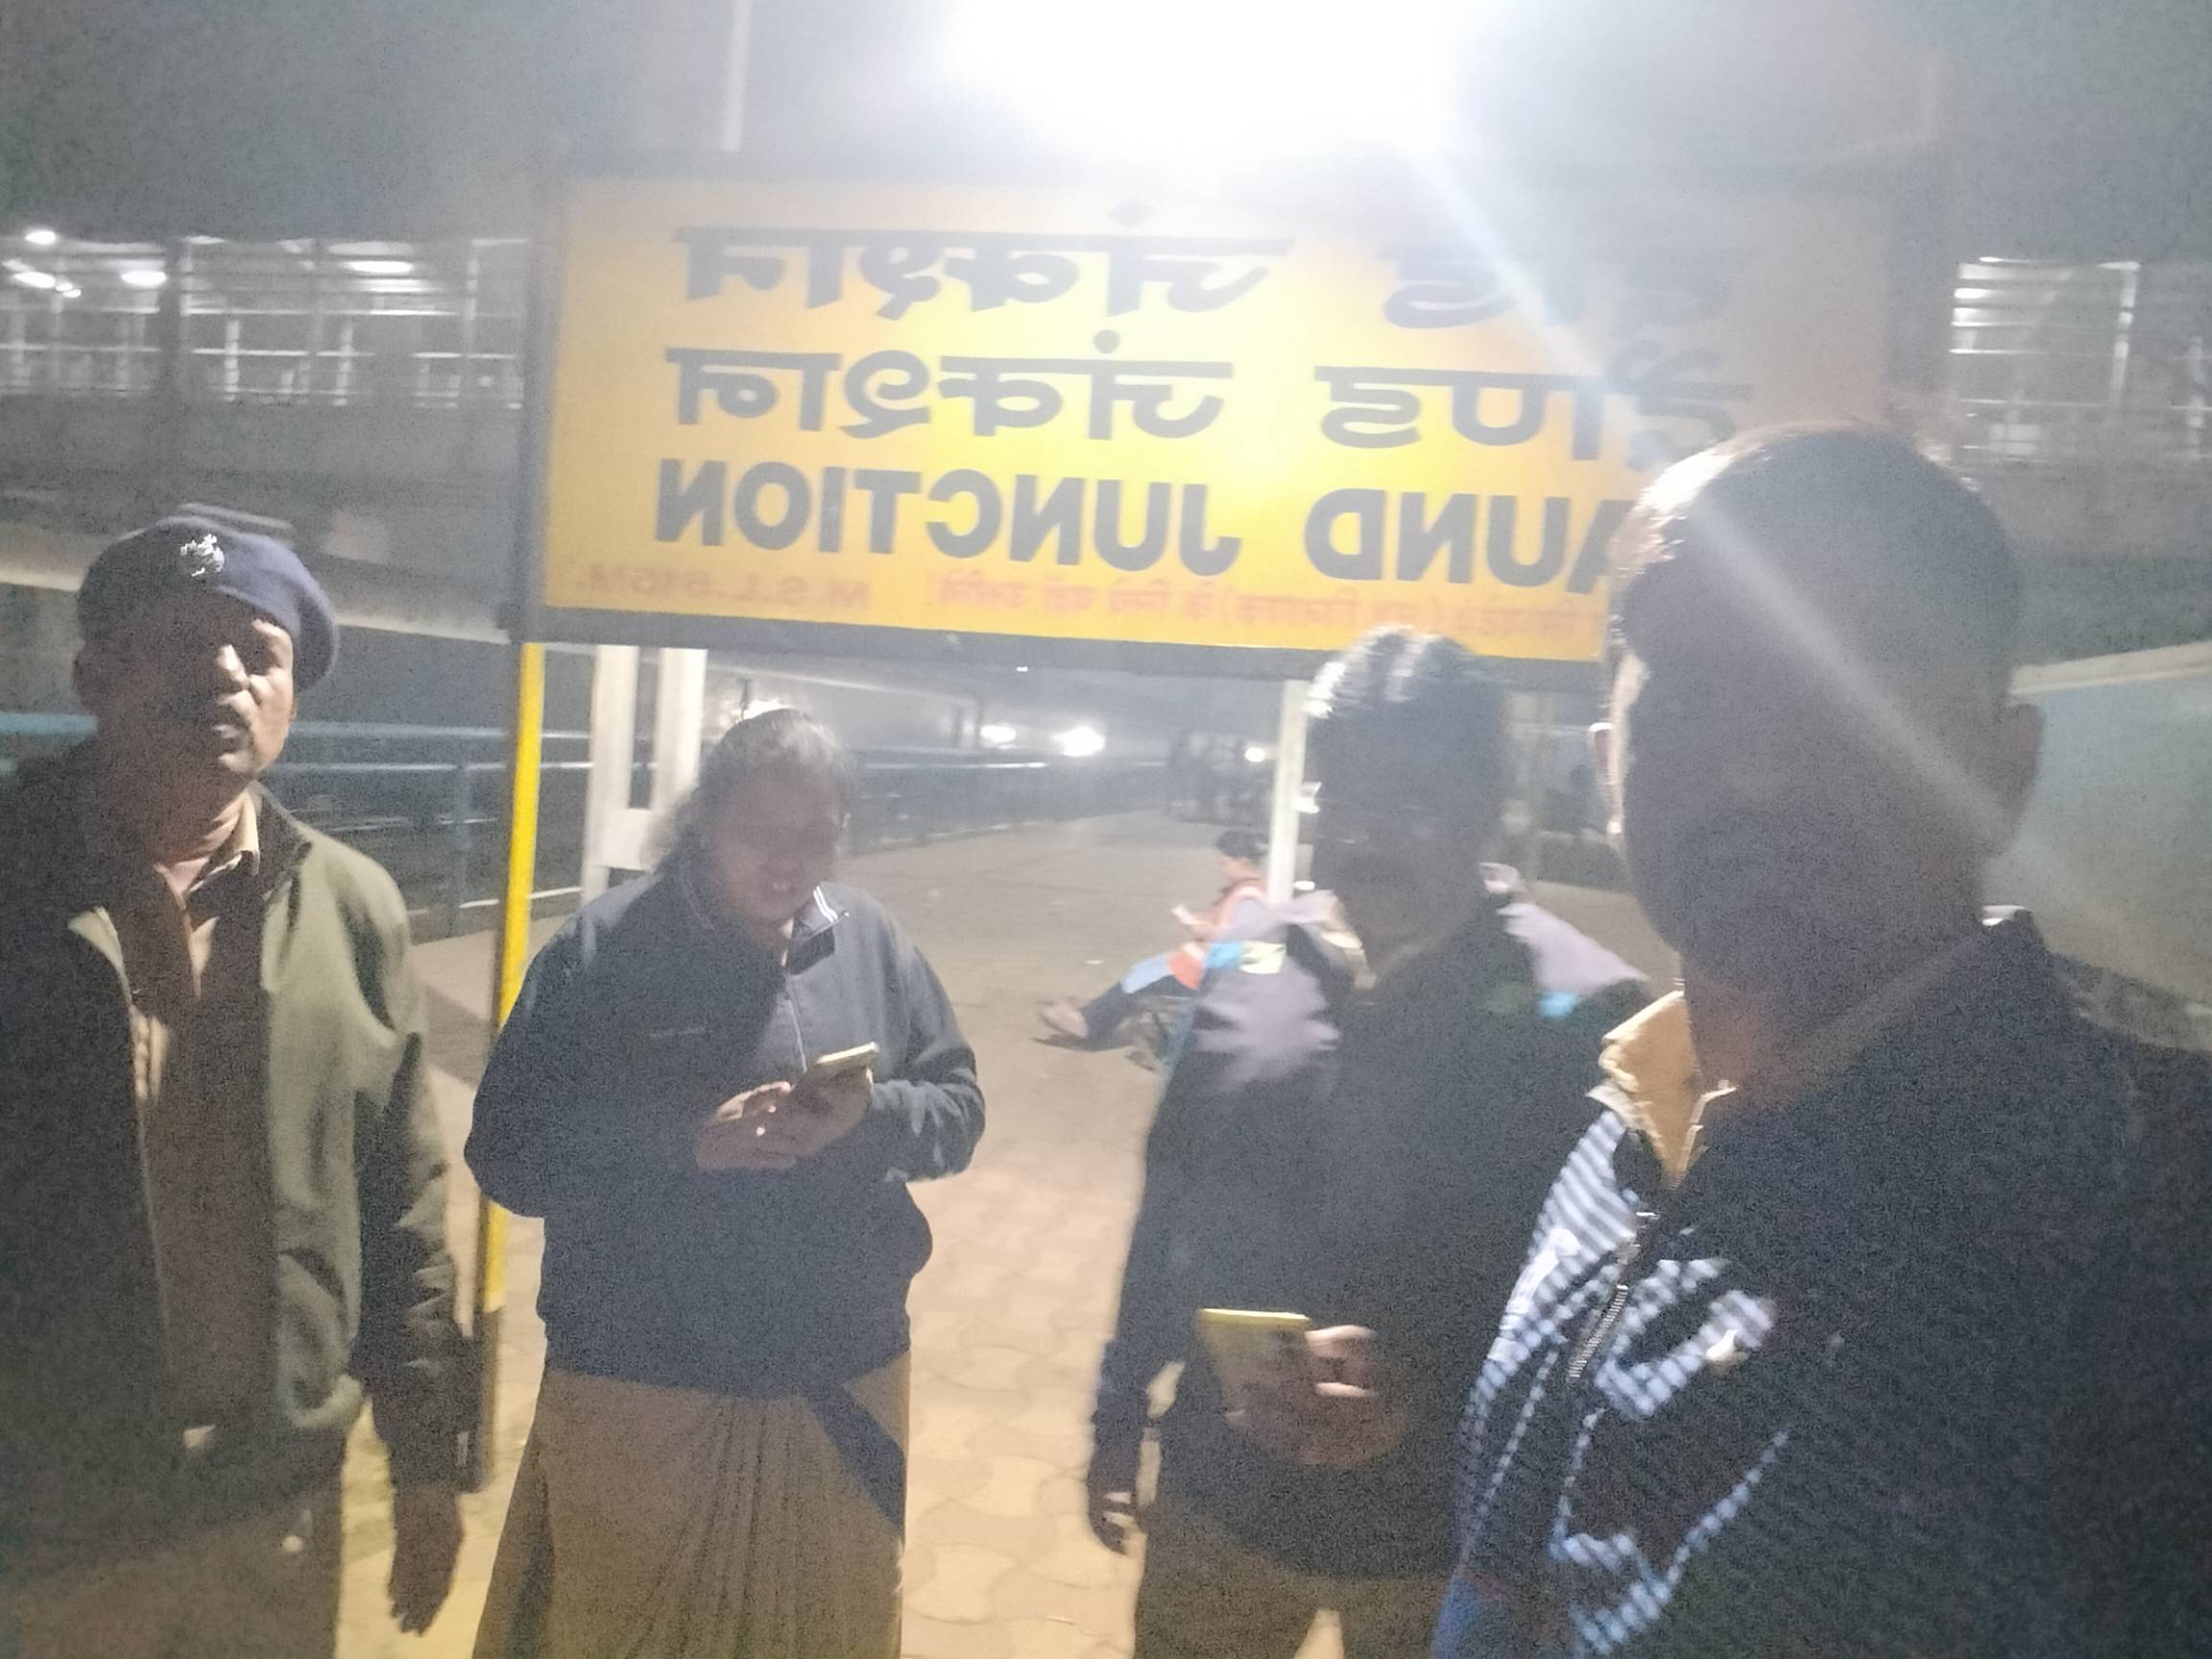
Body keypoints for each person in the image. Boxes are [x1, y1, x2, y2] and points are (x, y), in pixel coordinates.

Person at [1426, 426, 2212, 1656]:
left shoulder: (2147, 1227)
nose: (1756, 775)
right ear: (1608, 771)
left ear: (2004, 769)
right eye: (1690, 697)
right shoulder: (1630, 1129)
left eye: (1852, 696)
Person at [1087, 629, 1647, 1659]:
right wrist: (1119, 1407)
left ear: (1491, 804)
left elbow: (1606, 1305)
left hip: (1440, 1542)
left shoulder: (1587, 1013)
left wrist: (1428, 1385)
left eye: (1413, 801)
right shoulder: (1248, 961)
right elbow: (1171, 1195)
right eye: (1341, 798)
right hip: (1221, 1502)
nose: (1364, 836)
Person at [0, 516, 465, 1658]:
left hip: (270, 1506)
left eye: (260, 653)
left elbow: (399, 1202)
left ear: (291, 698)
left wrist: (424, 1459)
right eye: (181, 642)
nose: (224, 673)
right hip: (43, 1514)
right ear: (95, 676)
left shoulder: (350, 908)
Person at [467, 708, 985, 1659]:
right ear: (704, 822)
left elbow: (959, 1110)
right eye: (758, 833)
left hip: (844, 1371)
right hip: (643, 1380)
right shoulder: (606, 948)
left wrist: (869, 1117)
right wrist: (684, 1144)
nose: (787, 862)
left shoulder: (872, 940)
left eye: (815, 836)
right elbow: (508, 1151)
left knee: (832, 1631)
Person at [1040, 828, 1269, 1047]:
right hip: (1201, 969)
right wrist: (1203, 925)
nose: (1223, 870)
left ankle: (1088, 1025)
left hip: (1207, 977)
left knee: (1143, 980)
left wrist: (1208, 933)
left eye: (1225, 863)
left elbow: (1254, 952)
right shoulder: (1247, 891)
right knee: (1143, 971)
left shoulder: (1249, 898)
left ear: (1242, 861)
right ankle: (1090, 1017)